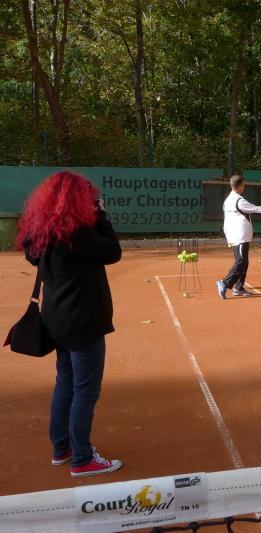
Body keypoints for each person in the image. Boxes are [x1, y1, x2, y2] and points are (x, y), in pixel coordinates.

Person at [16, 170, 123, 477]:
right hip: (82, 320)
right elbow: (112, 251)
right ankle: (82, 459)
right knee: (85, 390)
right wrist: (101, 216)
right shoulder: (77, 232)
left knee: (65, 383)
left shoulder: (42, 232)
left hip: (56, 319)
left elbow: (34, 257)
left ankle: (62, 448)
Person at [217, 174, 261, 298]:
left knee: (243, 262)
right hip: (240, 236)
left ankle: (238, 288)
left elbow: (228, 219)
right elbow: (257, 209)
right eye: (243, 184)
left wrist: (228, 235)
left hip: (234, 235)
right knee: (241, 261)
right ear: (240, 185)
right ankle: (225, 282)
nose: (244, 186)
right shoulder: (239, 201)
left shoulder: (227, 200)